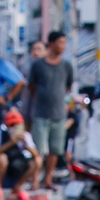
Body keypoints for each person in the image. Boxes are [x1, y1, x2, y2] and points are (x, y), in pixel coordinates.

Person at [27, 30, 73, 188]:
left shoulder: (66, 66)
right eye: (60, 43)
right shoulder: (38, 65)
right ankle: (34, 180)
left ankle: (48, 179)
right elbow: (31, 87)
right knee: (38, 149)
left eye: (64, 43)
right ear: (51, 44)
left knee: (55, 149)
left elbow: (67, 87)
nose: (63, 46)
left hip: (59, 114)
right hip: (40, 113)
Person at [0, 106, 36, 199]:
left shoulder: (25, 136)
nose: (14, 127)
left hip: (16, 168)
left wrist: (25, 143)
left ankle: (17, 187)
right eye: (12, 125)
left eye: (16, 125)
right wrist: (10, 143)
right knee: (2, 158)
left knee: (34, 162)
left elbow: (36, 155)